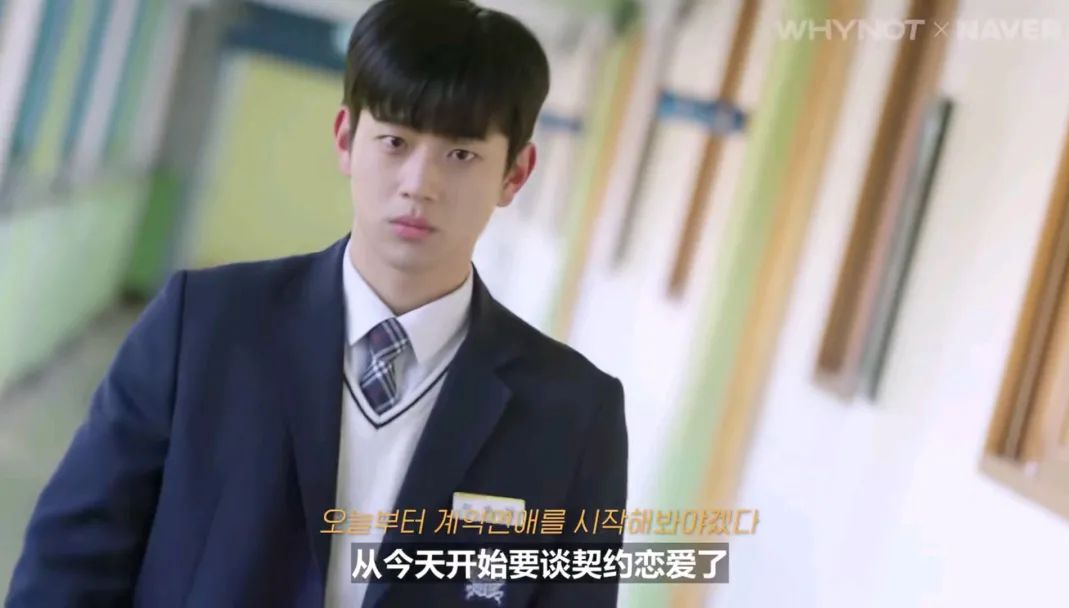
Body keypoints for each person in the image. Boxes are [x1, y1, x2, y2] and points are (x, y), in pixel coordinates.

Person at [5, 0, 627, 606]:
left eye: (461, 154)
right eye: (395, 141)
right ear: (346, 139)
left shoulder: (573, 415)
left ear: (515, 174)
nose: (420, 184)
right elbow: (70, 565)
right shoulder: (203, 326)